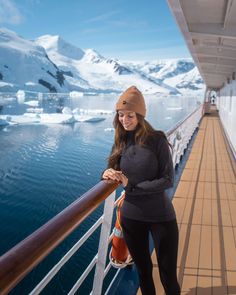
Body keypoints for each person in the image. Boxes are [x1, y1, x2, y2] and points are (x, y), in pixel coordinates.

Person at [102, 86, 180, 295]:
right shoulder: (121, 140)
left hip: (161, 215)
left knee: (167, 274)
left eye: (130, 115)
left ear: (140, 115)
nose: (124, 120)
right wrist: (108, 173)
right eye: (120, 115)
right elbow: (111, 168)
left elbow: (167, 180)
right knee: (143, 272)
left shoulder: (157, 139)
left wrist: (132, 187)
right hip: (132, 216)